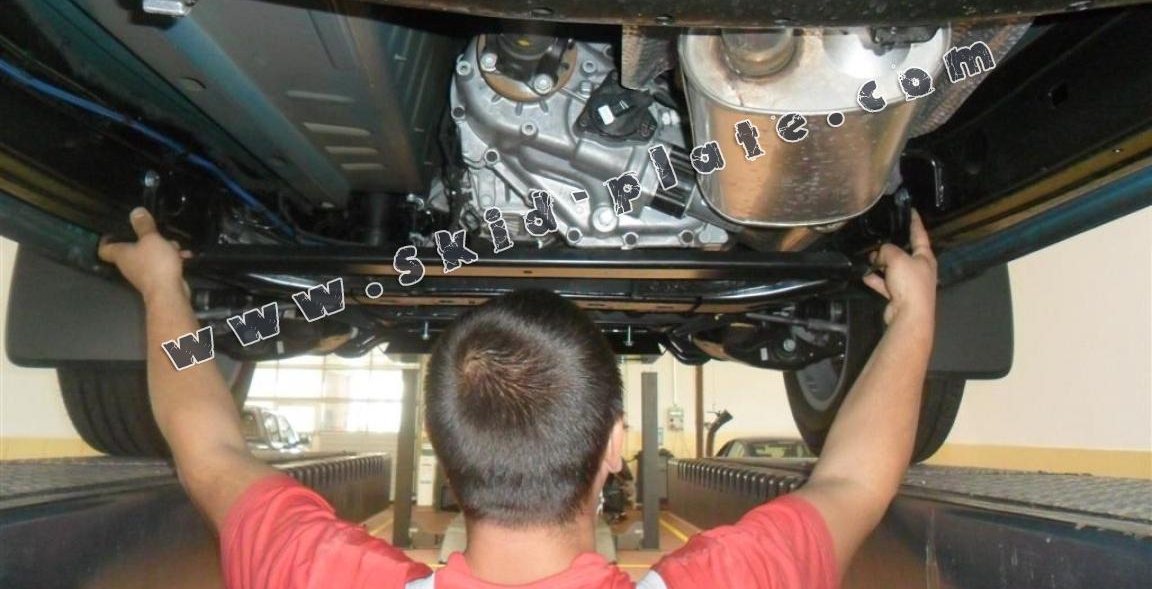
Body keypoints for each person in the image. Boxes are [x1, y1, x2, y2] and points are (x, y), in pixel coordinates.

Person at [98, 207, 939, 589]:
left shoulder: (314, 573)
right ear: (615, 446)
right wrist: (914, 315)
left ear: (441, 450)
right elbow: (853, 482)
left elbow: (208, 450)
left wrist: (163, 286)